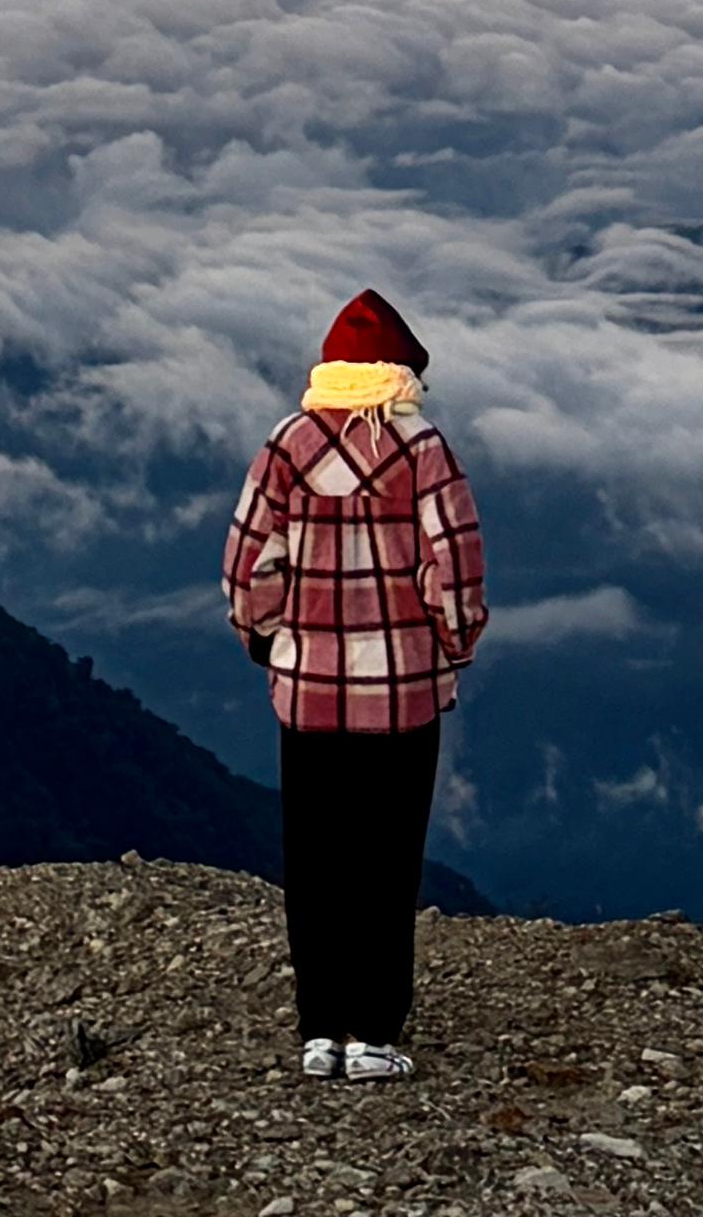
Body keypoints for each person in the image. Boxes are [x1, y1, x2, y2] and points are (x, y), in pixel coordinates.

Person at [223, 288, 488, 1080]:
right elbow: (457, 570)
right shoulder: (423, 449)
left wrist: (270, 639)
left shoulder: (287, 443)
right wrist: (451, 645)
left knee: (315, 859)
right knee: (386, 859)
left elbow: (247, 563)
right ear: (402, 371)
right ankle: (374, 1033)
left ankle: (319, 1028)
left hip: (307, 694)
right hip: (403, 698)